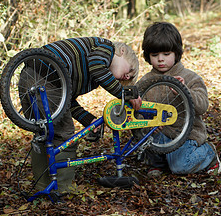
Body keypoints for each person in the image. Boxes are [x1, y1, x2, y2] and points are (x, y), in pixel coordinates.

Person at [21, 37, 142, 193]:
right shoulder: (106, 48)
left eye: (130, 79)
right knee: (64, 135)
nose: (127, 77)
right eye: (130, 71)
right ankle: (62, 187)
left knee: (43, 133)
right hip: (49, 72)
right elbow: (97, 67)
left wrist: (88, 120)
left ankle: (44, 187)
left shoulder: (91, 78)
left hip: (30, 76)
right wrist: (124, 93)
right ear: (122, 51)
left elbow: (67, 101)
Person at [139, 22, 221, 176]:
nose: (160, 60)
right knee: (141, 140)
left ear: (176, 53)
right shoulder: (145, 82)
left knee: (180, 167)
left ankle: (209, 154)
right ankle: (157, 162)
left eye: (166, 54)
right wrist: (145, 124)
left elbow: (202, 106)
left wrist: (185, 91)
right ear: (148, 56)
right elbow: (136, 111)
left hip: (185, 136)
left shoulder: (190, 77)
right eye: (155, 55)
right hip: (158, 135)